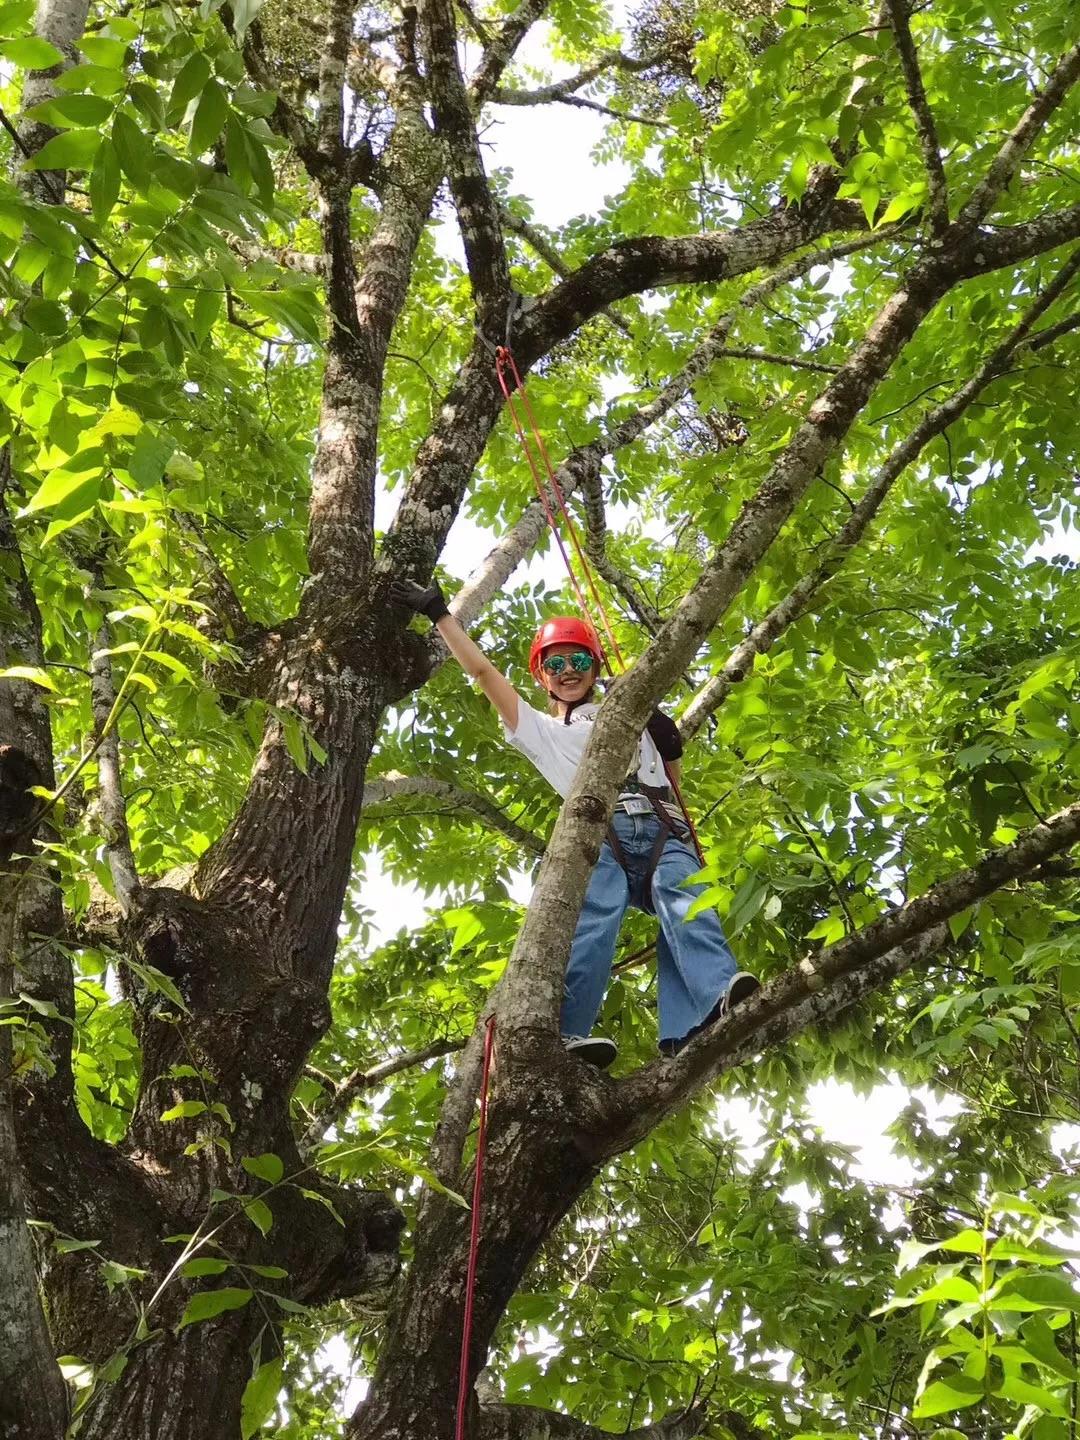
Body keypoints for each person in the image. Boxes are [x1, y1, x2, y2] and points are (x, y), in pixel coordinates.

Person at [391, 577, 760, 1066]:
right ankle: (564, 1035)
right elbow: (482, 673)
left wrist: (664, 739)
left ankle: (706, 1007)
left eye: (580, 660)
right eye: (555, 663)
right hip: (597, 833)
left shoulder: (631, 709)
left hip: (660, 825)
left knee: (686, 902)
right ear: (542, 676)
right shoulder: (541, 731)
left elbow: (670, 777)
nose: (568, 671)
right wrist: (441, 616)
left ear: (595, 666)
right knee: (592, 921)